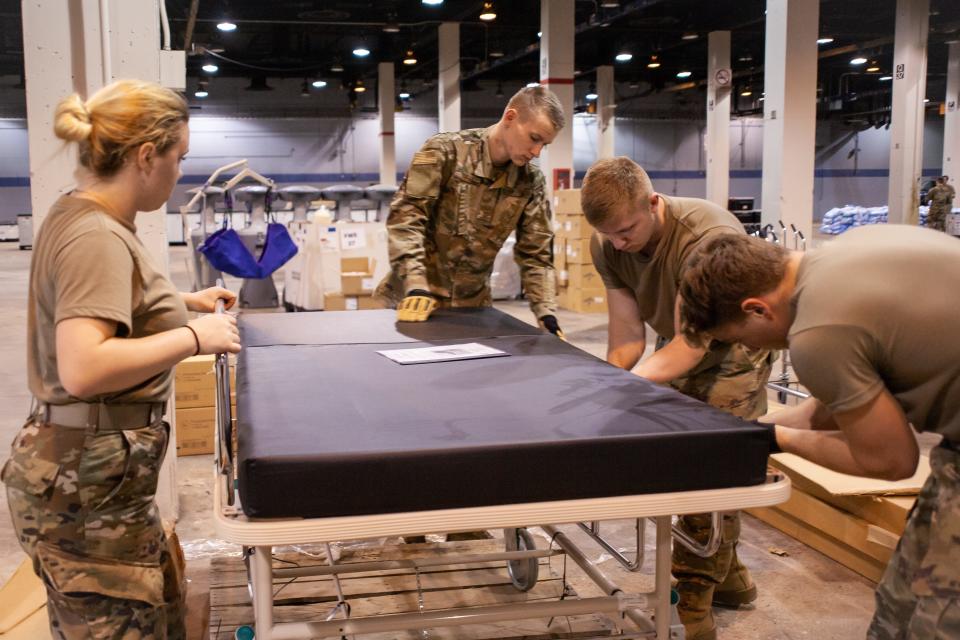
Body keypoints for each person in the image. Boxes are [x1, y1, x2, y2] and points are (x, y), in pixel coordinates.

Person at [1, 79, 242, 639]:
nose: (179, 173)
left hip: (97, 482)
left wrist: (178, 304)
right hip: (85, 487)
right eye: (178, 158)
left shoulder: (78, 211)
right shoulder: (97, 235)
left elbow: (97, 296)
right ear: (145, 156)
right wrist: (194, 337)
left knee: (154, 615)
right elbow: (84, 366)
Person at [677, 226, 960, 639]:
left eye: (737, 340)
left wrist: (777, 442)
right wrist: (742, 430)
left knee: (938, 621)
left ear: (757, 309)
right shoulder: (839, 257)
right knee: (901, 603)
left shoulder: (817, 333)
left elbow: (893, 461)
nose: (749, 349)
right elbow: (832, 406)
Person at [580, 157, 773, 640]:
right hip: (678, 347)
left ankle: (694, 606)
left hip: (736, 349)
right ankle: (730, 579)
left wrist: (625, 390)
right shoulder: (609, 241)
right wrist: (602, 383)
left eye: (627, 231)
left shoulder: (705, 238)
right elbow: (627, 338)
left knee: (711, 473)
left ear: (653, 202)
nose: (619, 244)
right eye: (610, 236)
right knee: (688, 465)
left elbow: (693, 344)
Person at [375, 86, 565, 336]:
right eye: (534, 138)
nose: (537, 152)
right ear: (510, 117)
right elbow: (406, 220)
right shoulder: (444, 152)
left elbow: (536, 254)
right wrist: (416, 284)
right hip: (408, 302)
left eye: (545, 144)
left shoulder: (530, 183)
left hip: (472, 312)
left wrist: (546, 313)